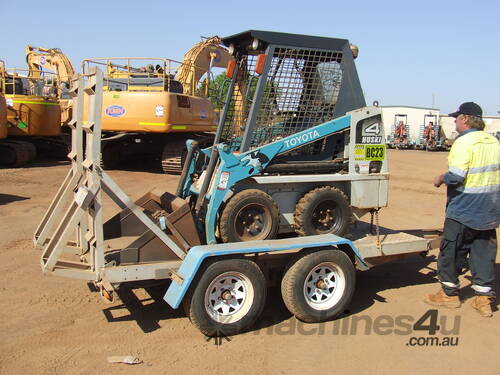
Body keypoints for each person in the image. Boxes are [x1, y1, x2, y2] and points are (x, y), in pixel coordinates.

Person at [424, 102, 499, 317]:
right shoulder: (493, 142)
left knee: (452, 250)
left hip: (464, 209)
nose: (455, 121)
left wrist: (440, 178)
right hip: (490, 209)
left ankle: (449, 295)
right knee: (483, 253)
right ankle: (483, 300)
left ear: (465, 119)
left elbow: (456, 175)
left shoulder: (463, 142)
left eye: (456, 118)